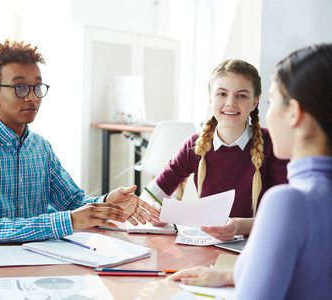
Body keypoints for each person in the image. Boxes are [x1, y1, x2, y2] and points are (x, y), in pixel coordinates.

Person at [140, 43, 332, 300]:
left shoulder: (288, 201)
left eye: (272, 101)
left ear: (293, 113)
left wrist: (168, 296)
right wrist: (229, 276)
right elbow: (307, 273)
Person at [0, 39, 157, 253]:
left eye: (37, 87)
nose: (32, 97)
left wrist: (106, 202)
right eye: (20, 87)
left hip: (32, 256)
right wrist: (66, 221)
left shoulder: (40, 147)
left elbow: (73, 202)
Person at [143, 59, 288, 241]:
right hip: (207, 244)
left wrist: (238, 226)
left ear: (255, 102)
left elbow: (285, 215)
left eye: (241, 96)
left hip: (258, 245)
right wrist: (155, 212)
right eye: (222, 94)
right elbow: (149, 195)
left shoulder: (274, 144)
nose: (230, 103)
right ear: (211, 98)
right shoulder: (195, 145)